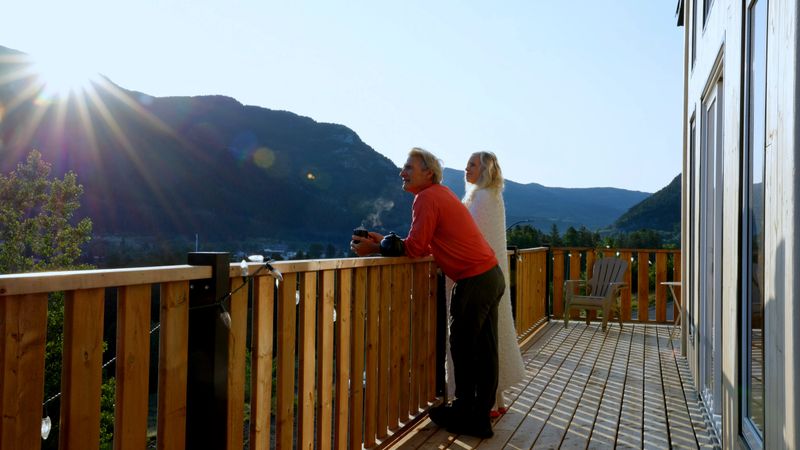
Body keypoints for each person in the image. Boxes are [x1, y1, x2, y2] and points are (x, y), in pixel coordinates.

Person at [351, 147, 504, 439]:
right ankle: (478, 417)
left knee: (463, 348)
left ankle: (466, 413)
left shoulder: (426, 198)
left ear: (428, 173)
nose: (402, 173)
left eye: (409, 167)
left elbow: (416, 248)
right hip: (490, 275)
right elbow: (426, 242)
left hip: (473, 280)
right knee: (484, 351)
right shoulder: (441, 195)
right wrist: (384, 241)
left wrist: (374, 249)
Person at [463, 151, 526, 417]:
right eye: (467, 163)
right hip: (493, 276)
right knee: (491, 339)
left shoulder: (482, 198)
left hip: (479, 276)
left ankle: (485, 403)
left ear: (486, 169)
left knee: (479, 342)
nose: (466, 168)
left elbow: (471, 237)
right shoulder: (492, 197)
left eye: (473, 164)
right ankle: (496, 401)